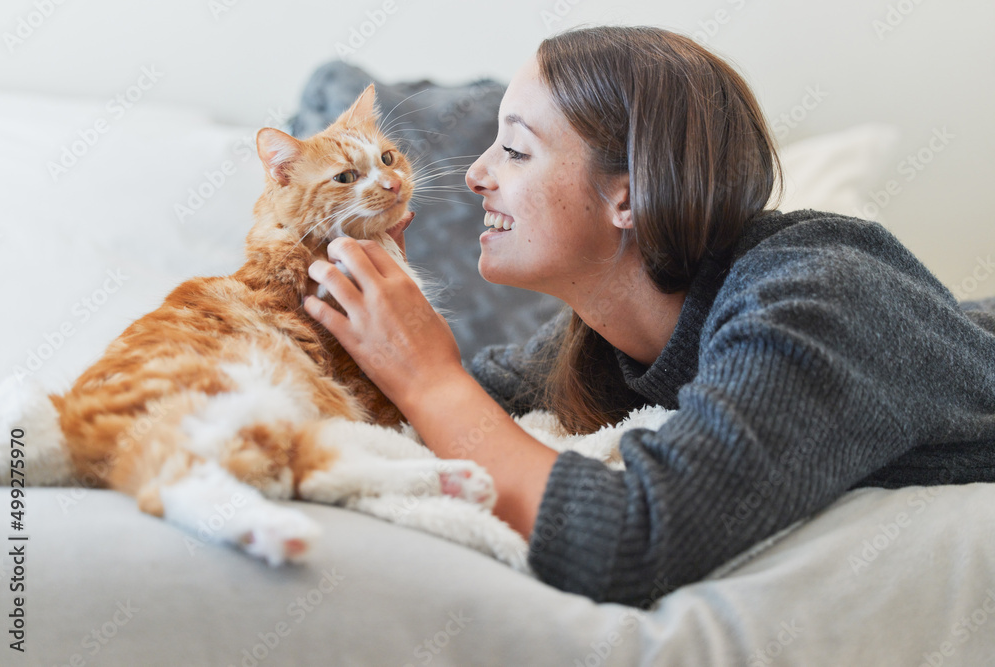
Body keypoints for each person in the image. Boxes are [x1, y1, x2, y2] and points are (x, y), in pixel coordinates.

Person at [303, 25, 995, 607]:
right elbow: (407, 415)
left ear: (628, 197)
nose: (478, 174)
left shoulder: (822, 297)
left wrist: (431, 376)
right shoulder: (599, 338)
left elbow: (630, 540)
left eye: (514, 149)